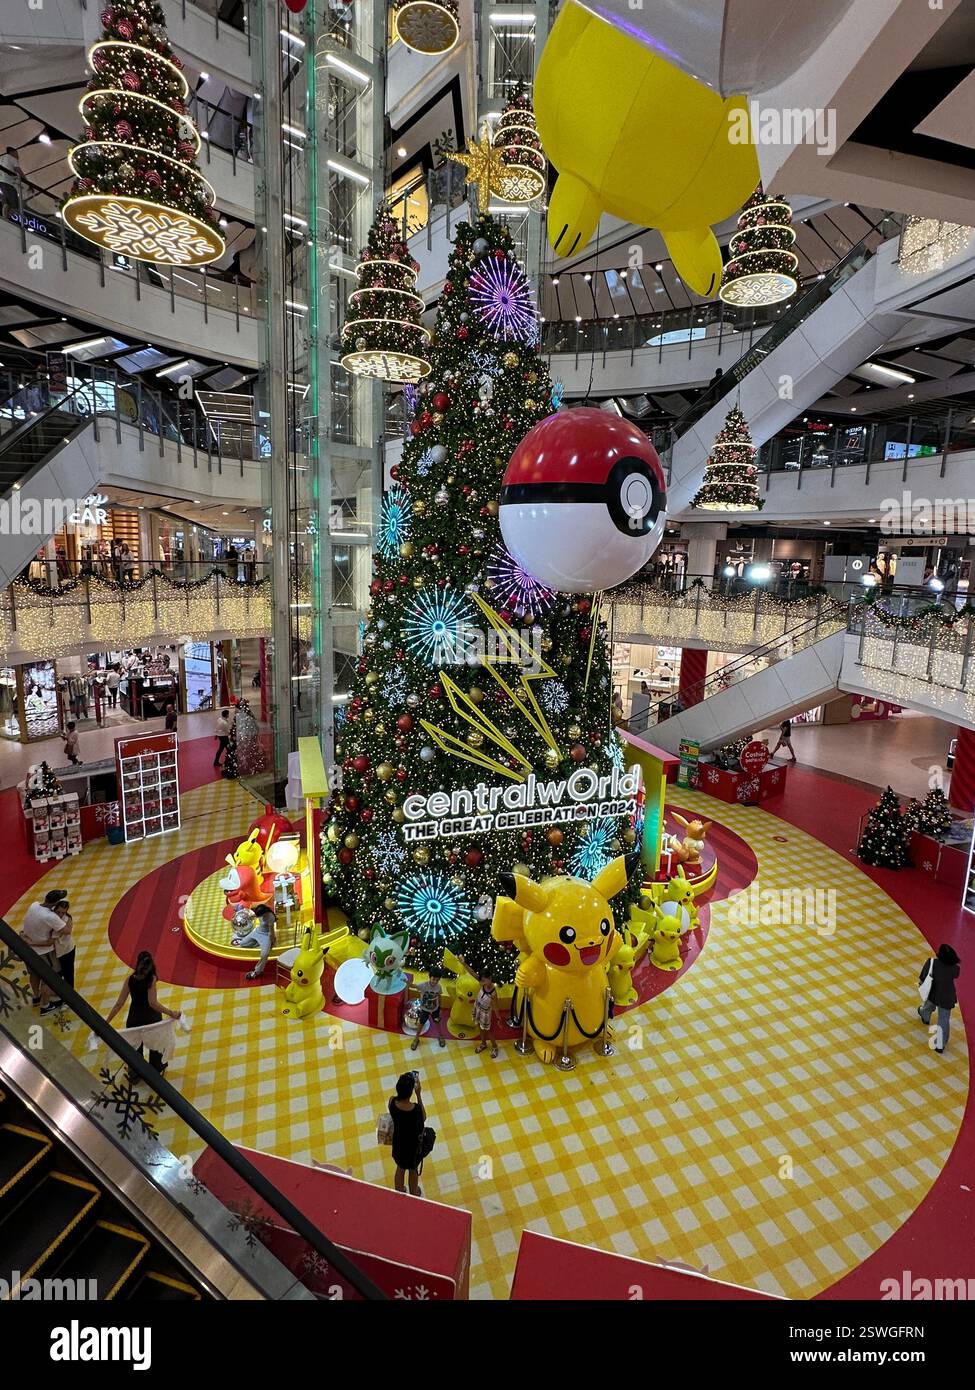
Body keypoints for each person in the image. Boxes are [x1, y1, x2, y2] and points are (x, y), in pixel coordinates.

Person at [106, 951, 181, 1075]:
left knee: (135, 1048)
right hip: (151, 1018)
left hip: (134, 1018)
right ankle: (156, 1068)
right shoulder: (151, 979)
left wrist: (107, 1021)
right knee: (155, 1045)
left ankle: (136, 1072)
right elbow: (153, 1003)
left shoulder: (129, 980)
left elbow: (119, 1004)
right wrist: (171, 1012)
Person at [19, 889, 67, 1012]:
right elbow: (66, 930)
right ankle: (45, 1006)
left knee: (34, 974)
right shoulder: (50, 916)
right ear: (55, 904)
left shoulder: (34, 905)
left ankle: (36, 996)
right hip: (44, 952)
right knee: (48, 977)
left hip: (28, 950)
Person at [388, 1072, 426, 1196]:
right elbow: (424, 1117)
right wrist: (419, 1094)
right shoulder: (416, 1110)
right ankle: (414, 1193)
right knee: (413, 1169)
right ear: (411, 1092)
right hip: (412, 1146)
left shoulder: (392, 1102)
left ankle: (399, 1191)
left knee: (400, 1167)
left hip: (398, 1142)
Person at [918, 944, 961, 1054]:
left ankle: (925, 1016)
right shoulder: (955, 968)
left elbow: (923, 976)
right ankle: (940, 1044)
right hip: (948, 995)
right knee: (943, 1019)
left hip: (933, 991)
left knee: (929, 1005)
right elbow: (956, 975)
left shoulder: (932, 963)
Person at [233, 903, 276, 981]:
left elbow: (271, 932)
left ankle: (257, 971)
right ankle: (258, 943)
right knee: (243, 943)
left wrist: (272, 942)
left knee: (264, 954)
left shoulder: (270, 917)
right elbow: (253, 915)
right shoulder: (259, 912)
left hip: (266, 935)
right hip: (258, 931)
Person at [411, 967, 446, 1051]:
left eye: (437, 980)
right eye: (433, 979)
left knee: (437, 1023)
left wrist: (440, 1008)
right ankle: (416, 1039)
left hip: (435, 1009)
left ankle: (440, 1037)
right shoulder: (423, 985)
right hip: (424, 1010)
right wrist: (407, 982)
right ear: (429, 977)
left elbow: (439, 996)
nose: (434, 982)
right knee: (421, 1024)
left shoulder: (439, 987)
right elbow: (414, 986)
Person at [52, 899, 76, 991]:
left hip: (66, 950)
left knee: (68, 973)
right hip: (59, 950)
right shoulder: (53, 918)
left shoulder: (65, 920)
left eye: (63, 912)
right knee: (60, 972)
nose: (60, 914)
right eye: (58, 912)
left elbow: (52, 939)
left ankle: (70, 995)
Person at [473, 973, 498, 1058]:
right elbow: (472, 973)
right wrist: (464, 964)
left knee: (488, 1031)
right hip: (478, 1008)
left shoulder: (493, 993)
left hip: (485, 1013)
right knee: (479, 1027)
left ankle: (495, 1047)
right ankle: (483, 1044)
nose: (482, 983)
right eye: (481, 981)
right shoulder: (483, 983)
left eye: (484, 981)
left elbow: (495, 1006)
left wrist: (498, 1018)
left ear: (490, 978)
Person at [0, 145, 22, 220]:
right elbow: (18, 170)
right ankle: (7, 218)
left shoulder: (2, 158)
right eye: (16, 153)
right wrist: (26, 180)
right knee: (14, 206)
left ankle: (5, 218)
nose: (18, 156)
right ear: (12, 152)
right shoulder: (12, 158)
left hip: (1, 182)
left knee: (6, 203)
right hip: (9, 183)